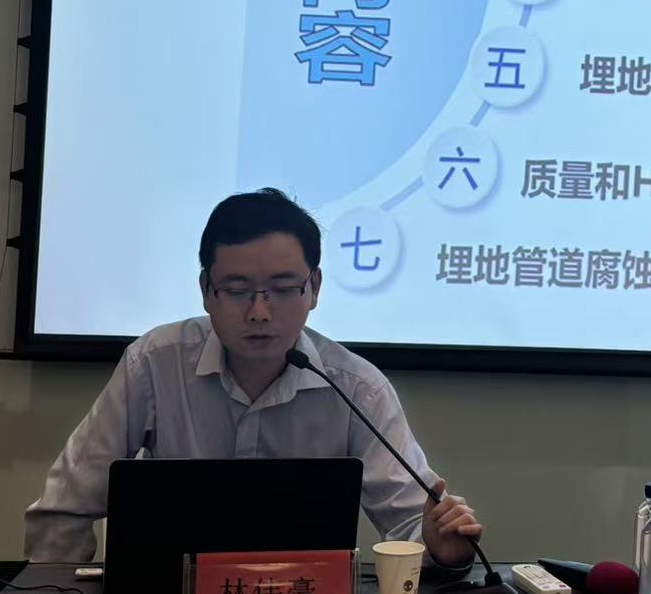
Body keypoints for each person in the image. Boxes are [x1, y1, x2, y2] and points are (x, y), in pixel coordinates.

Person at [24, 188, 483, 565]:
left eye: (282, 289)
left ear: (314, 288)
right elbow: (65, 509)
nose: (260, 312)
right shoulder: (153, 364)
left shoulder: (356, 388)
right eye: (237, 290)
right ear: (206, 290)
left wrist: (436, 543)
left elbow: (411, 522)